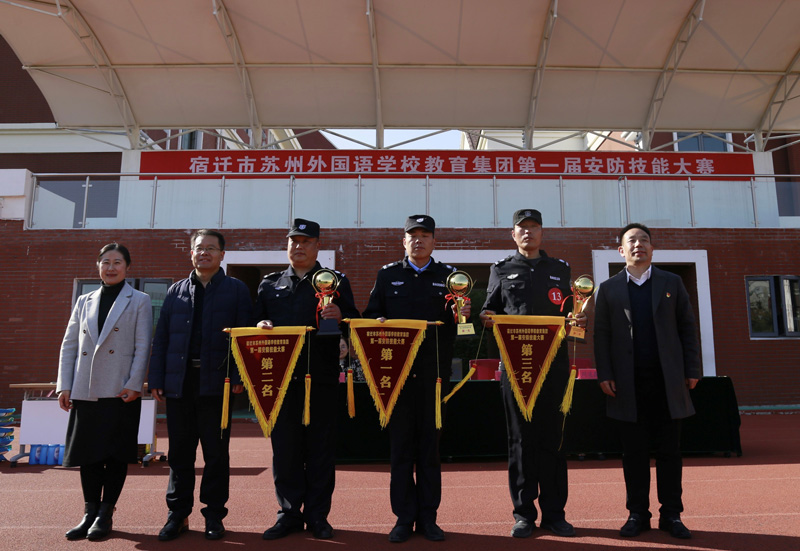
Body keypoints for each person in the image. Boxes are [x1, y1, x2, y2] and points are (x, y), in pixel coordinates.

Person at [363, 214, 469, 543]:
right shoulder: (388, 275)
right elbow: (370, 316)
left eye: (425, 235)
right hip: (396, 378)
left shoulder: (450, 277)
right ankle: (402, 518)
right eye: (413, 235)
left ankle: (428, 518)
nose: (418, 240)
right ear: (404, 241)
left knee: (429, 451)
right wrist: (378, 322)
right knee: (400, 451)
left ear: (434, 241)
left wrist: (462, 316)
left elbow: (461, 328)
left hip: (433, 377)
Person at [479, 209, 583, 539]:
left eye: (534, 227)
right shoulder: (500, 269)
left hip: (553, 367)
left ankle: (554, 514)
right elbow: (489, 310)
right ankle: (523, 514)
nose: (528, 232)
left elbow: (571, 314)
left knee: (553, 440)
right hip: (516, 367)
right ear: (513, 234)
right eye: (522, 228)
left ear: (542, 232)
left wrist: (577, 321)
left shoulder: (560, 269)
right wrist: (485, 318)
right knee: (520, 441)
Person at [594, 223, 700, 540]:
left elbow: (687, 327)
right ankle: (637, 514)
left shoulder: (672, 282)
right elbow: (602, 335)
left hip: (668, 382)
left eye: (644, 240)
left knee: (670, 452)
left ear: (652, 249)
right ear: (621, 250)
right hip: (627, 384)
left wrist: (692, 368)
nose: (638, 244)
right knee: (634, 454)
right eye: (632, 240)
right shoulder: (608, 288)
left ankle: (672, 515)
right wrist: (605, 373)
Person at [256, 219, 359, 541]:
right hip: (281, 381)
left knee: (320, 450)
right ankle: (288, 514)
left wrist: (341, 317)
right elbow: (252, 324)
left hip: (322, 378)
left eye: (306, 242)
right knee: (285, 450)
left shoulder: (336, 281)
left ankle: (317, 516)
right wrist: (260, 325)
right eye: (294, 241)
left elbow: (356, 322)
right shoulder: (269, 284)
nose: (298, 247)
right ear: (287, 245)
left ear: (317, 246)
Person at [149, 229, 253, 541]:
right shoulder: (176, 291)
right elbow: (162, 338)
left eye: (211, 248)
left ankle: (214, 515)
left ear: (222, 254)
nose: (204, 252)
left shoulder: (236, 290)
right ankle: (177, 514)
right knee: (180, 453)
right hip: (180, 383)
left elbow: (244, 337)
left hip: (218, 385)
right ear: (191, 253)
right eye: (199, 248)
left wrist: (239, 376)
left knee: (216, 453)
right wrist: (157, 378)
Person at [56, 243, 153, 541]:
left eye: (117, 262)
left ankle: (105, 513)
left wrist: (134, 383)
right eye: (106, 262)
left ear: (127, 267)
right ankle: (89, 512)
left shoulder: (140, 300)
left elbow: (143, 345)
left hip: (120, 389)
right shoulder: (84, 300)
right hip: (85, 388)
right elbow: (69, 344)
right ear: (98, 265)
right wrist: (64, 385)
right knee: (89, 455)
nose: (111, 267)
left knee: (116, 454)